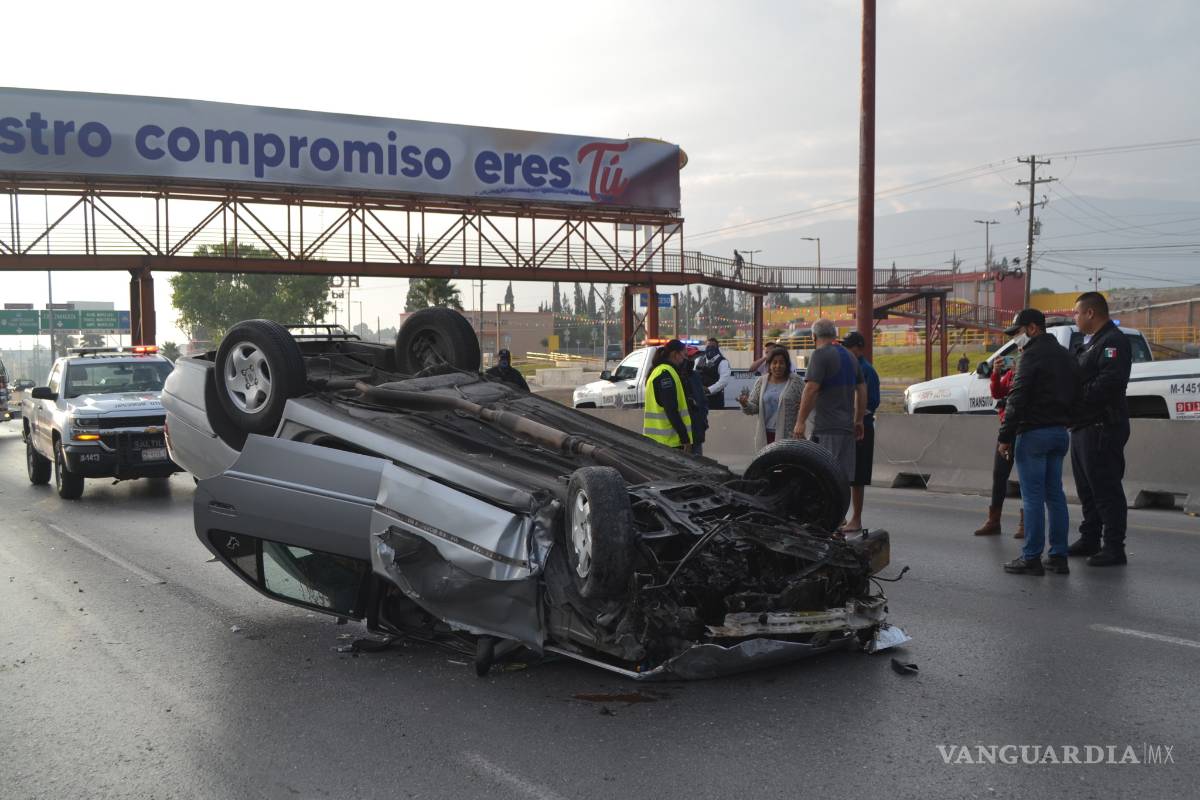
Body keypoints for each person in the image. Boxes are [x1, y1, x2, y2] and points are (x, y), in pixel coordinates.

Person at [997, 308, 1081, 576]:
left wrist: (1005, 437)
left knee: (1032, 498)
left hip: (1033, 434)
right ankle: (1058, 556)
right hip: (1059, 433)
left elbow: (1017, 399)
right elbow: (1078, 393)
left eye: (1018, 332)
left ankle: (1031, 557)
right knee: (1055, 496)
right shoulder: (1067, 357)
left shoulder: (1031, 356)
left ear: (1032, 328)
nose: (1017, 339)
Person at [1068, 291, 1133, 567]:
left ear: (1090, 313)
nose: (1075, 318)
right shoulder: (1090, 343)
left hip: (1102, 426)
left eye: (1077, 313)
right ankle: (1090, 538)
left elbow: (1110, 382)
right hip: (1083, 426)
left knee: (1105, 489)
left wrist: (1078, 398)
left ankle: (1114, 547)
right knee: (1087, 489)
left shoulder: (1112, 341)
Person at [793, 320, 866, 485]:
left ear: (813, 336)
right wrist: (859, 420)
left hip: (825, 428)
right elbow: (862, 389)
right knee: (841, 481)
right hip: (847, 429)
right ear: (835, 334)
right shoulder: (851, 357)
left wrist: (800, 421)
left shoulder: (819, 355)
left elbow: (811, 388)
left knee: (821, 479)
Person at [973, 349, 1026, 538]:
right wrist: (996, 373)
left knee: (1026, 478)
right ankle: (994, 520)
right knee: (999, 475)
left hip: (1025, 431)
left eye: (1022, 352)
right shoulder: (1011, 374)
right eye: (1017, 354)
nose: (1018, 357)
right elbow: (997, 393)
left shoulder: (1029, 373)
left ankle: (1025, 522)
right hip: (1007, 430)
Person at [841, 332, 879, 533]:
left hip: (861, 427)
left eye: (850, 347)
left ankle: (856, 518)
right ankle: (843, 516)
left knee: (857, 477)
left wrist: (856, 417)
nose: (846, 351)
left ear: (859, 348)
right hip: (844, 428)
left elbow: (871, 403)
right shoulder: (847, 368)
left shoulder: (866, 370)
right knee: (843, 475)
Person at [738, 346, 804, 450]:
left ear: (787, 365)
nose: (778, 366)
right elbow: (754, 408)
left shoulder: (796, 382)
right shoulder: (761, 381)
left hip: (789, 436)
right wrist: (745, 404)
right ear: (769, 365)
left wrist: (802, 407)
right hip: (765, 435)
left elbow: (808, 403)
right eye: (774, 362)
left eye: (782, 362)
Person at [642, 340, 692, 452]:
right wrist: (685, 439)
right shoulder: (666, 374)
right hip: (669, 442)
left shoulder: (658, 371)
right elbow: (671, 409)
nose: (685, 359)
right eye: (684, 355)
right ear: (675, 354)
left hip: (657, 441)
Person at [680, 350, 709, 457]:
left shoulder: (695, 376)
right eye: (689, 358)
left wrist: (703, 421)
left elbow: (702, 401)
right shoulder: (677, 377)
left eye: (693, 359)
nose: (691, 361)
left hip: (697, 428)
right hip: (683, 431)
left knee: (698, 460)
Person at [694, 337, 732, 409]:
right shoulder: (698, 360)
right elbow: (694, 376)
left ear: (717, 348)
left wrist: (709, 389)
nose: (710, 348)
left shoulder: (723, 362)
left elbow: (723, 381)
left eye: (713, 346)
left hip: (715, 399)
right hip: (699, 398)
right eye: (708, 346)